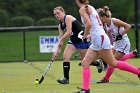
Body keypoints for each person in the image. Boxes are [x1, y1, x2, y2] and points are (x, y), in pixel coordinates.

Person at [75, 0, 140, 93]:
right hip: (97, 39)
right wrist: (90, 36)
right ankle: (85, 90)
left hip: (99, 39)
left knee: (113, 63)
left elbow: (89, 24)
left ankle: (138, 72)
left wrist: (85, 36)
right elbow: (98, 26)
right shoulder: (91, 7)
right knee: (85, 63)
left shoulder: (82, 9)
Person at [52, 6, 102, 84]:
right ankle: (66, 79)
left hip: (82, 40)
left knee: (84, 62)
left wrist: (61, 40)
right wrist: (56, 52)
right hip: (73, 41)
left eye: (58, 13)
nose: (57, 15)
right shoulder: (60, 26)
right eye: (55, 14)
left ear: (63, 12)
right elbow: (60, 40)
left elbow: (68, 32)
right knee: (65, 57)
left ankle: (97, 62)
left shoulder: (68, 17)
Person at [96, 6, 138, 83]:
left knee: (113, 62)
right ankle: (133, 55)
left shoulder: (114, 21)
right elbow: (108, 35)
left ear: (104, 17)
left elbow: (128, 26)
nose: (100, 20)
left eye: (100, 18)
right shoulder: (105, 25)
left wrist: (121, 34)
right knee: (111, 60)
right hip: (116, 44)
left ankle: (106, 78)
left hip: (123, 44)